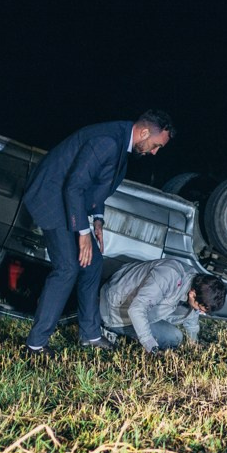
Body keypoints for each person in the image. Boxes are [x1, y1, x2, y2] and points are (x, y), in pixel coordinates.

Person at [20, 110, 174, 357]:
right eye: (155, 146)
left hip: (69, 200)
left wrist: (98, 220)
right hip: (52, 198)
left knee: (92, 264)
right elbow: (74, 187)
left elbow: (96, 184)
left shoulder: (122, 142)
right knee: (68, 267)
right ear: (144, 132)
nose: (154, 152)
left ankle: (90, 335)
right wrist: (83, 232)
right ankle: (35, 344)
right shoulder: (108, 141)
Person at [99, 257, 227, 352]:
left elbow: (192, 316)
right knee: (172, 338)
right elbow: (136, 309)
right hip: (113, 309)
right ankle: (108, 329)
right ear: (193, 294)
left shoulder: (195, 280)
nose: (201, 312)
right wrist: (150, 344)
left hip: (135, 307)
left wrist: (193, 342)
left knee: (175, 337)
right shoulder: (168, 275)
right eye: (200, 308)